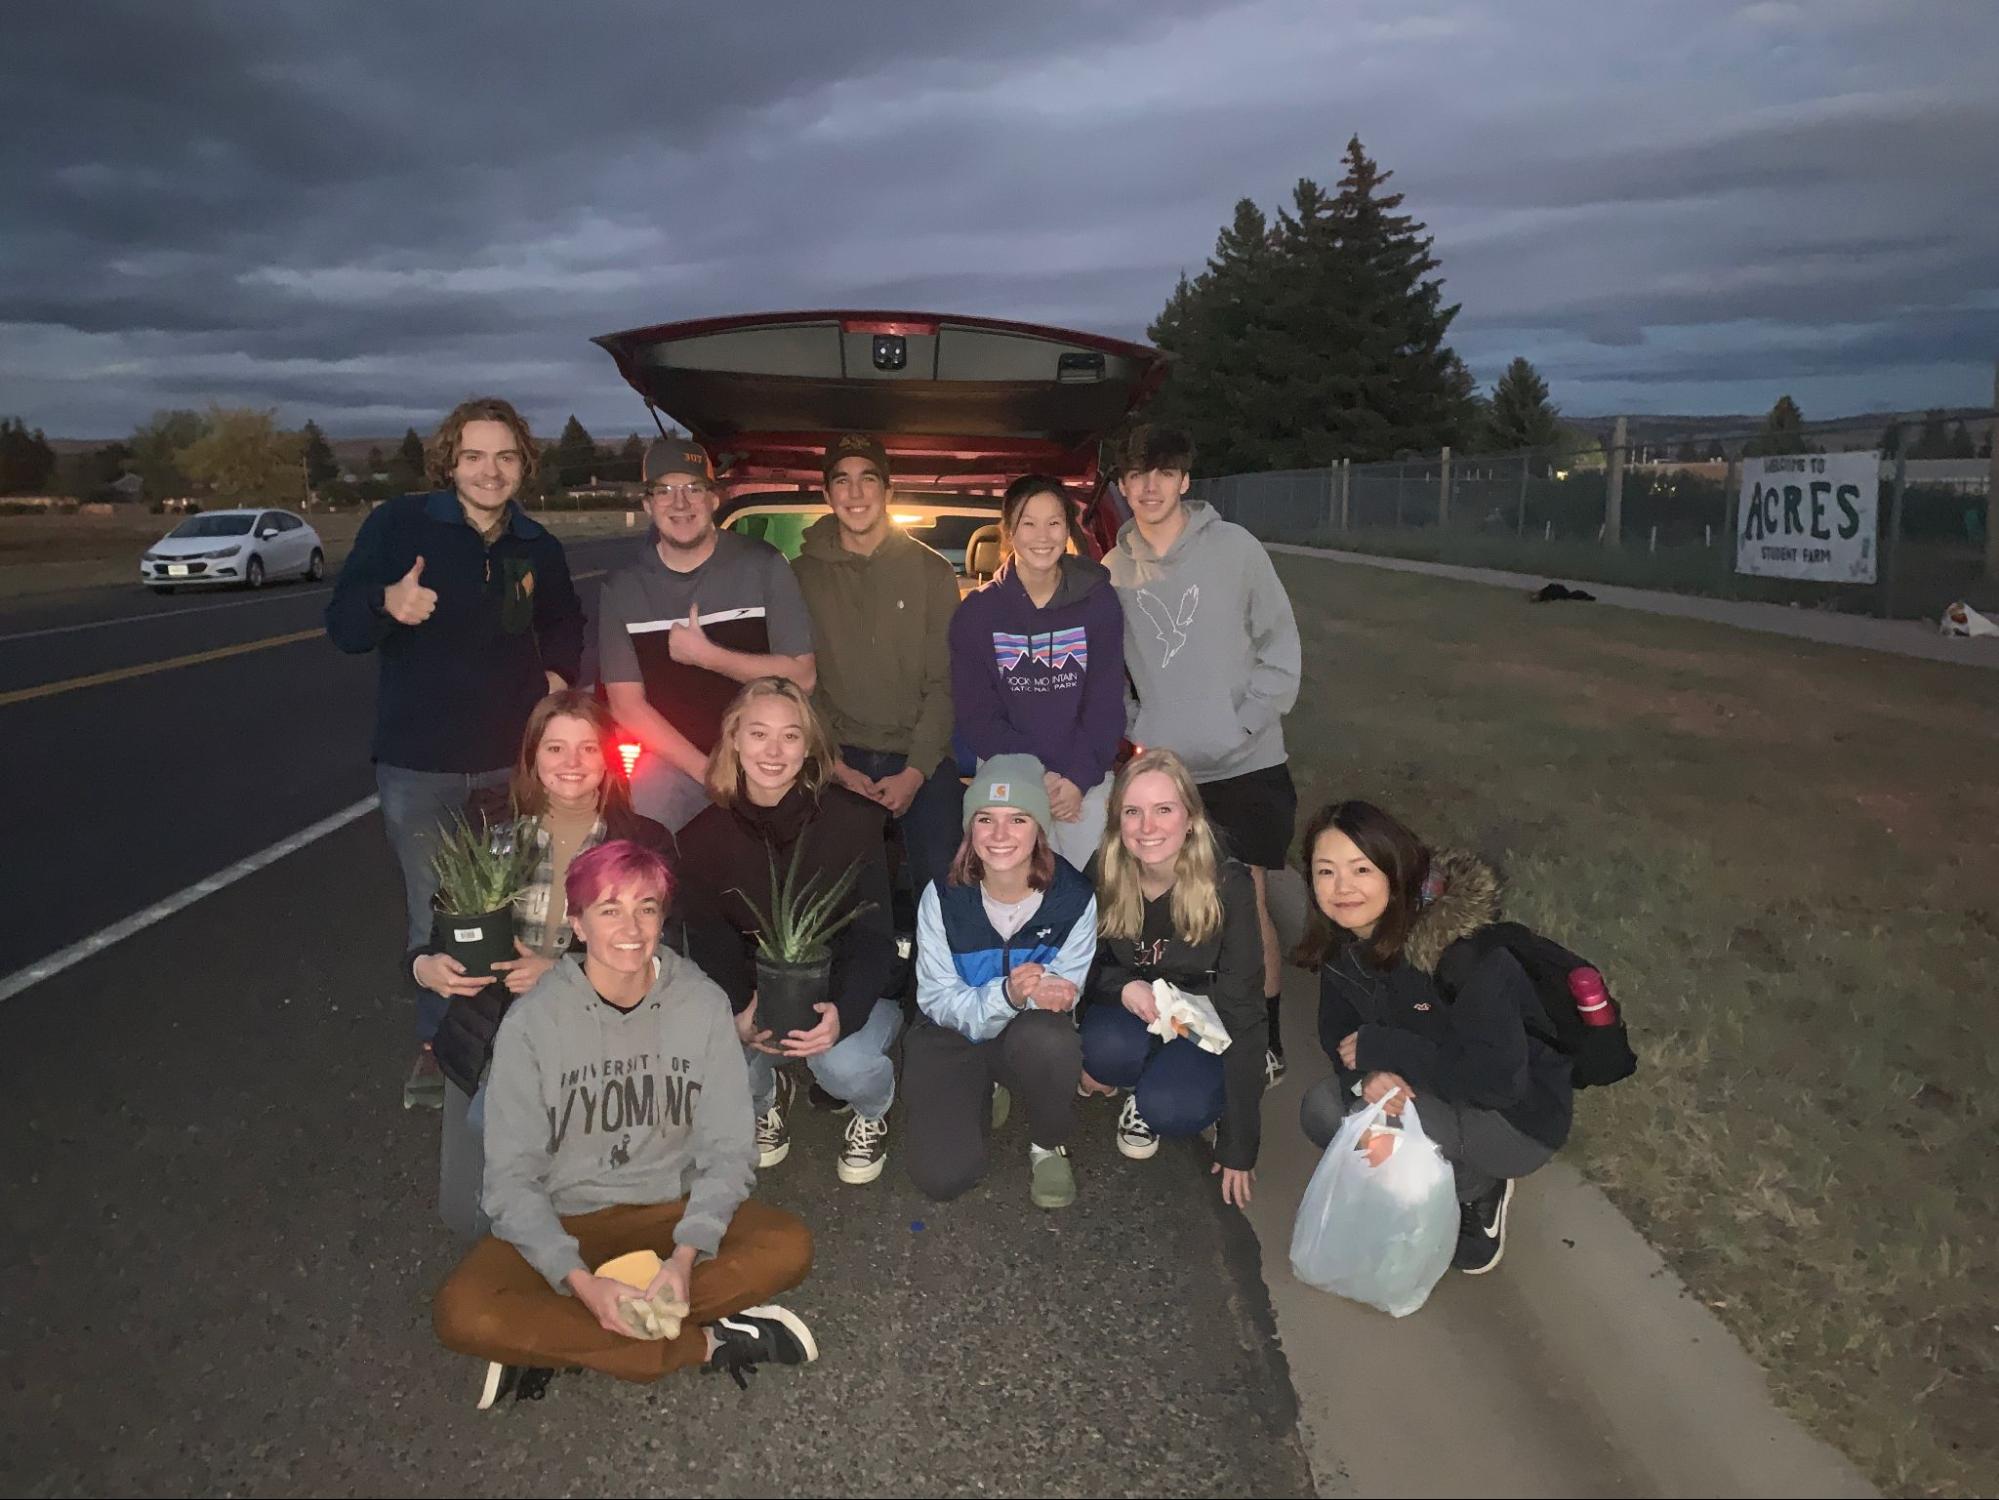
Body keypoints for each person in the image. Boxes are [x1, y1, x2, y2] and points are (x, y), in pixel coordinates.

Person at [433, 839, 817, 1406]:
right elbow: (510, 1179)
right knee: (459, 1312)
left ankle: (554, 1339)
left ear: (663, 917)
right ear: (577, 924)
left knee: (789, 1245)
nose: (631, 927)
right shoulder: (534, 1022)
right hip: (570, 1218)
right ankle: (706, 1343)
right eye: (609, 909)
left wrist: (686, 1256)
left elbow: (729, 1149)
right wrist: (579, 1281)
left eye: (647, 908)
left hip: (671, 1210)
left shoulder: (701, 1003)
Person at [325, 396, 584, 1110]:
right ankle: (442, 1047)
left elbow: (565, 622)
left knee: (518, 905)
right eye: (474, 455)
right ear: (450, 461)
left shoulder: (537, 546)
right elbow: (343, 624)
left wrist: (557, 682)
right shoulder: (400, 526)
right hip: (420, 765)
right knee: (435, 914)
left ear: (523, 465)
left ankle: (516, 1029)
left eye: (505, 456)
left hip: (511, 763)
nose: (489, 470)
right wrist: (387, 604)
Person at [414, 690, 672, 1240]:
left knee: (527, 1168)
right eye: (555, 748)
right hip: (490, 1023)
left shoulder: (643, 842)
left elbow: (665, 962)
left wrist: (562, 970)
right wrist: (425, 967)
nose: (572, 764)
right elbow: (441, 933)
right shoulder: (489, 827)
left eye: (587, 748)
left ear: (609, 759)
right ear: (531, 757)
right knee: (467, 1215)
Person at [1295, 801, 1574, 1275]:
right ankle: (1423, 1182)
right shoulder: (1346, 944)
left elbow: (1496, 1081)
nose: (1342, 887)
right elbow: (1339, 1035)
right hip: (1432, 1082)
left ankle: (1478, 1189)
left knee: (1391, 1129)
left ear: (1396, 870)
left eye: (1361, 869)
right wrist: (1367, 1074)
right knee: (1326, 1110)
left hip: (1512, 1118)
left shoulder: (1463, 956)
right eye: (1326, 871)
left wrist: (1387, 1049)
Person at [1104, 424, 1300, 1089]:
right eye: (1134, 475)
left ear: (1185, 480)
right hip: (1168, 775)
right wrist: (1140, 727)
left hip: (1245, 766)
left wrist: (1240, 725)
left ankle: (1264, 1037)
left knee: (1243, 905)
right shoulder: (1115, 568)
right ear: (1121, 485)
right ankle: (1186, 1024)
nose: (1148, 487)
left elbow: (1279, 644)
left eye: (1162, 473)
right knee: (1175, 909)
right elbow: (1110, 672)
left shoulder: (1234, 549)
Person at [674, 677, 902, 1187]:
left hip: (847, 993)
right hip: (755, 994)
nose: (773, 751)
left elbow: (873, 937)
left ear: (810, 747)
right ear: (733, 739)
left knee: (841, 1066)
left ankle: (873, 1108)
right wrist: (739, 1012)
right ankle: (765, 1099)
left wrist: (843, 1013)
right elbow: (709, 938)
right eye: (758, 734)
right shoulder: (701, 838)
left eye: (790, 736)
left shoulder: (857, 822)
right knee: (709, 1049)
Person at [902, 756, 1098, 1209]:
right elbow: (936, 997)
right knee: (942, 1177)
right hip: (950, 1034)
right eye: (985, 819)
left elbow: (1068, 986)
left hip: (1025, 1034)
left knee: (1051, 1042)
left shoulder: (1074, 899)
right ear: (970, 828)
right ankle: (982, 1087)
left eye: (1018, 819)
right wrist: (1005, 994)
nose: (1000, 835)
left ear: (1039, 828)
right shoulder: (944, 895)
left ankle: (1048, 1143)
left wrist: (1056, 995)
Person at [1076, 748, 1267, 1209]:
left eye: (1164, 809)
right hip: (1133, 1012)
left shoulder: (1227, 885)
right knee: (1100, 1052)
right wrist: (1122, 986)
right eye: (1133, 812)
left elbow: (1245, 1007)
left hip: (1203, 1023)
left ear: (1190, 818)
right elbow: (1080, 964)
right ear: (1116, 821)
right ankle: (1137, 1075)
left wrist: (1240, 1145)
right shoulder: (1105, 870)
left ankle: (1156, 1093)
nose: (1148, 827)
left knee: (1173, 1109)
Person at [598, 437, 817, 834]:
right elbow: (627, 706)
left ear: (714, 499)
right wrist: (708, 774)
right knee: (642, 842)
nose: (679, 503)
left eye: (693, 489)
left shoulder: (763, 566)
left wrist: (707, 656)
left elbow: (802, 677)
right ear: (647, 504)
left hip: (762, 757)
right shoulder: (623, 588)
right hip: (674, 764)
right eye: (664, 491)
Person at [790, 434, 963, 897]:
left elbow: (944, 682)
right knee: (836, 899)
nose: (855, 492)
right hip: (837, 758)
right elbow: (802, 685)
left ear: (888, 491)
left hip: (921, 758)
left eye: (868, 479)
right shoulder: (799, 576)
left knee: (946, 889)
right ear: (827, 495)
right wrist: (835, 766)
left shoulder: (931, 573)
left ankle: (934, 970)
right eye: (842, 481)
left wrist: (914, 772)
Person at [948, 476, 1125, 870]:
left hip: (1084, 779)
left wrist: (1076, 779)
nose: (1042, 536)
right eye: (1028, 523)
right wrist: (1036, 777)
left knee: (1092, 896)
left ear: (1067, 529)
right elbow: (978, 718)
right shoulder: (976, 615)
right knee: (1012, 893)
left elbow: (1106, 706)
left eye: (1054, 522)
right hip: (1007, 771)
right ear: (1009, 531)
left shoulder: (1099, 603)